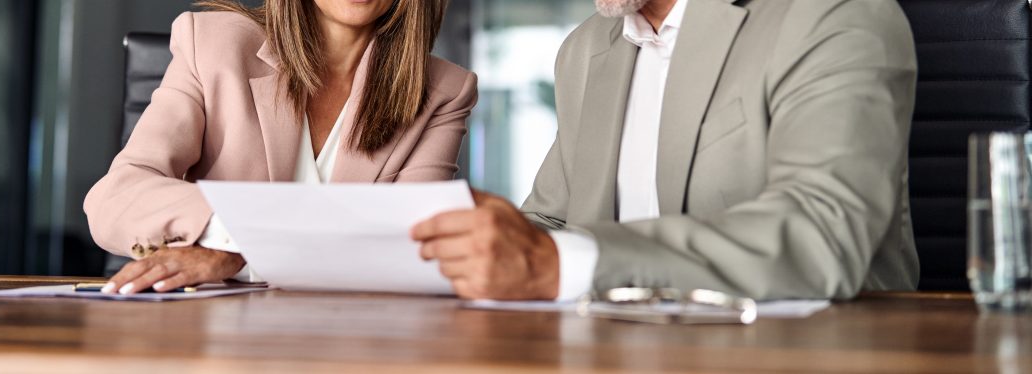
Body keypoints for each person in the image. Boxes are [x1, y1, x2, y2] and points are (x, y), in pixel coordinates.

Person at [414, 0, 920, 300]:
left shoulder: (834, 15)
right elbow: (552, 222)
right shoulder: (586, 48)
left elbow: (823, 231)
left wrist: (564, 263)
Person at [86, 0, 477, 295]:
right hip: (212, 338)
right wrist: (235, 239)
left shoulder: (443, 92)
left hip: (353, 342)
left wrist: (244, 255)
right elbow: (116, 197)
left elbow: (413, 251)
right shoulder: (211, 44)